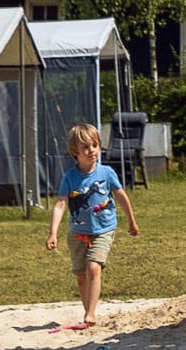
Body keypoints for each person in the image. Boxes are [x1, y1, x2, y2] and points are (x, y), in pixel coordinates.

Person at [44, 123, 138, 332]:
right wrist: (53, 233)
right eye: (85, 147)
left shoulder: (106, 173)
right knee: (81, 275)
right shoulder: (70, 177)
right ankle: (88, 315)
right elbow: (61, 204)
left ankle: (91, 312)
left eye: (94, 145)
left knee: (94, 267)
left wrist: (131, 220)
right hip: (77, 233)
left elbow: (121, 196)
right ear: (74, 152)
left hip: (103, 229)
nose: (92, 151)